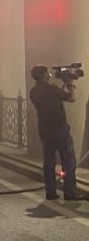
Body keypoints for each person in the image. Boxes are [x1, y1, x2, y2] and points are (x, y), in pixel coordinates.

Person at [29, 66, 84, 201]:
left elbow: (54, 95)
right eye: (47, 72)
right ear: (43, 74)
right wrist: (70, 83)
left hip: (44, 128)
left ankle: (51, 192)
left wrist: (63, 82)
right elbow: (71, 98)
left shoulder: (34, 91)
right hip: (59, 128)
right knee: (68, 160)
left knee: (49, 161)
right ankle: (70, 192)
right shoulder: (51, 89)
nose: (50, 74)